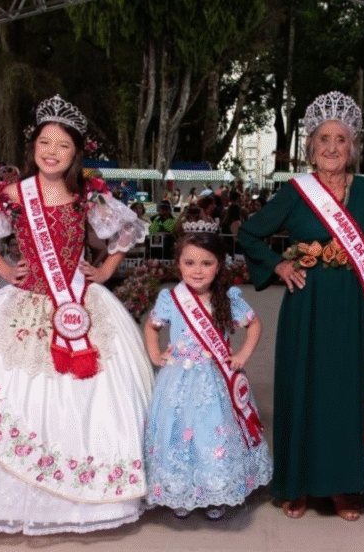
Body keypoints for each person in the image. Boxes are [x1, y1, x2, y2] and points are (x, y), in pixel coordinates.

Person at [0, 93, 154, 534]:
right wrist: (5, 269)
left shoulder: (86, 194)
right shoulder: (13, 193)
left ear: (76, 153)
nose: (52, 151)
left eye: (62, 145)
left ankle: (85, 497)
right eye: (45, 142)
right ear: (33, 146)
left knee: (90, 394)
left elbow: (126, 230)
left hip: (80, 303)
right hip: (25, 302)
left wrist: (104, 269)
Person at [238, 91, 364, 521]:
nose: (331, 147)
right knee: (302, 390)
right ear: (311, 148)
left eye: (340, 140)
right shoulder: (295, 192)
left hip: (354, 308)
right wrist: (279, 265)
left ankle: (344, 488)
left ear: (352, 148)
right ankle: (298, 485)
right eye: (323, 139)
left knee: (346, 395)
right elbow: (249, 234)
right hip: (306, 307)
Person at [143, 222, 270, 520]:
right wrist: (154, 352)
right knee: (178, 432)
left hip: (216, 379)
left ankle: (215, 489)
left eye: (206, 263)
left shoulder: (227, 298)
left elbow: (254, 325)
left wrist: (243, 354)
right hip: (178, 379)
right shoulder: (171, 298)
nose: (197, 270)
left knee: (213, 431)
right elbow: (152, 326)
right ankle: (180, 487)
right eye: (189, 263)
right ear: (178, 265)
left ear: (219, 265)